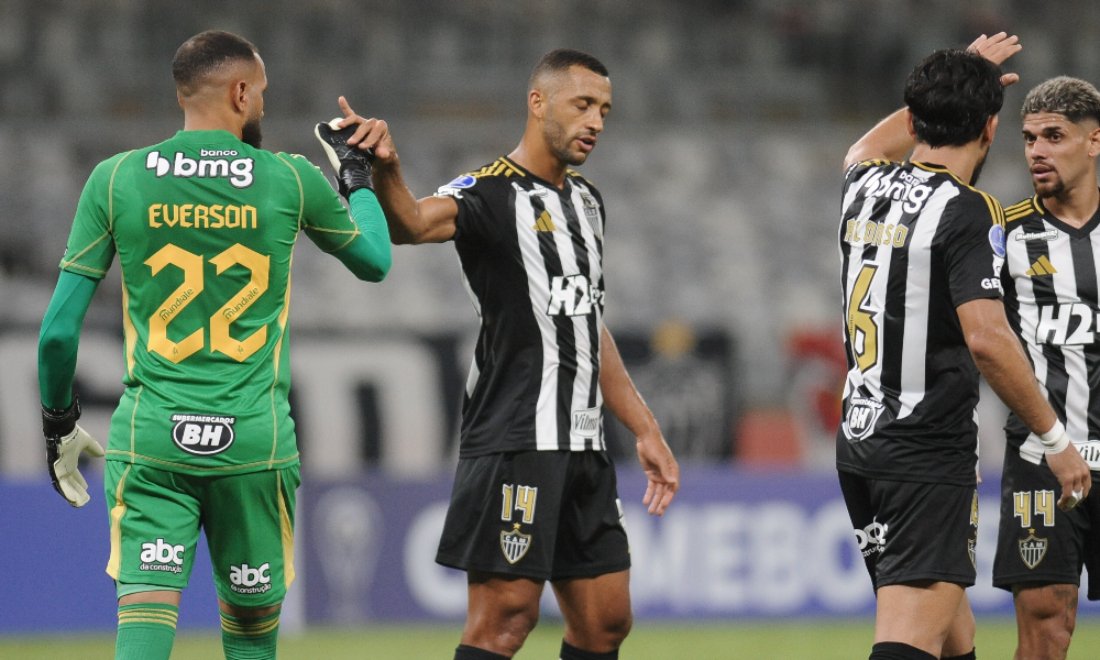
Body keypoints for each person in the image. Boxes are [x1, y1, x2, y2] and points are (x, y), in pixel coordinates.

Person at [37, 30, 391, 660]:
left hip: (152, 440)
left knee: (143, 624)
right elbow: (376, 262)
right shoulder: (289, 178)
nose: (263, 106)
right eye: (261, 94)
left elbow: (59, 331)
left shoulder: (115, 179)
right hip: (253, 444)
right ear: (239, 92)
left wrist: (60, 424)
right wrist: (358, 177)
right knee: (250, 642)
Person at [315, 49, 680, 659]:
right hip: (515, 437)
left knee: (606, 622)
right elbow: (411, 224)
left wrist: (644, 427)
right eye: (582, 104)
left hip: (584, 444)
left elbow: (587, 320)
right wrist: (385, 169)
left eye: (605, 111)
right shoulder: (488, 192)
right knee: (506, 618)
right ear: (538, 103)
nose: (595, 121)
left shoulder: (588, 201)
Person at [837, 34, 1092, 660]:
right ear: (991, 127)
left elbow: (867, 145)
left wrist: (956, 79)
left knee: (954, 637)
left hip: (861, 446)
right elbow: (986, 340)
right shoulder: (970, 211)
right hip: (923, 451)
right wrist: (1057, 443)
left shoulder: (861, 184)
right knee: (908, 640)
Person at [994, 75, 1100, 659]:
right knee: (1046, 622)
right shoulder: (1004, 234)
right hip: (1043, 459)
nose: (1037, 150)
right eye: (1029, 137)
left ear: (1094, 141)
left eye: (1054, 136)